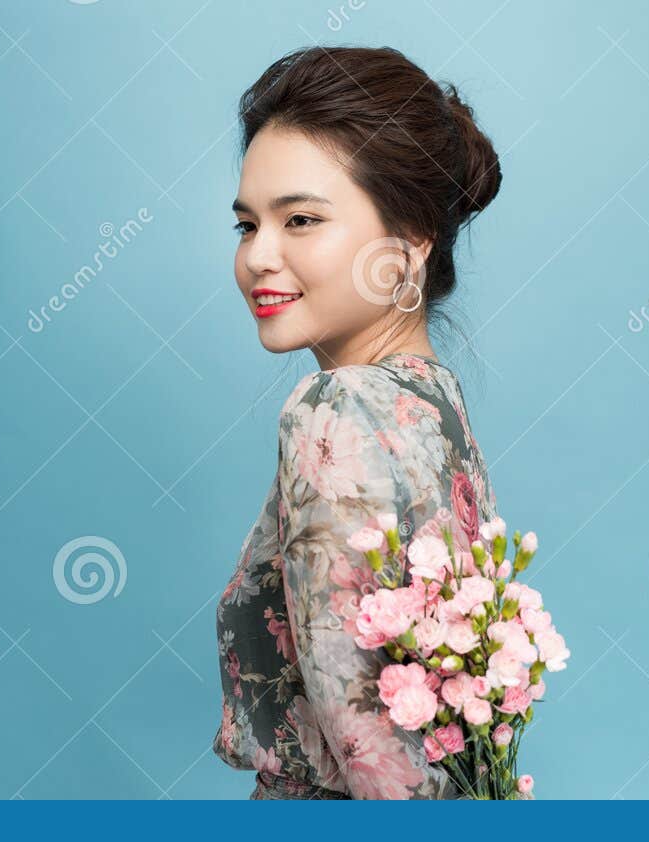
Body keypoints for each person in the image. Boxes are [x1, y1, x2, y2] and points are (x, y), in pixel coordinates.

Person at [211, 45, 510, 799]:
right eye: (247, 226)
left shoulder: (334, 408)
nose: (259, 257)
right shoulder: (436, 407)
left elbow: (365, 736)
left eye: (301, 219)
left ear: (408, 242)